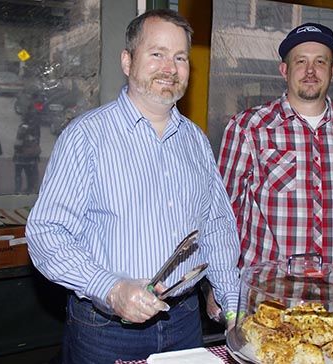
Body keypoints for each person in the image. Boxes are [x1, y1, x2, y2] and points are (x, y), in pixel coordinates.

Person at [25, 9, 240, 363]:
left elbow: (215, 225)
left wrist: (231, 304)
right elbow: (46, 233)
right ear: (127, 61)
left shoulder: (196, 141)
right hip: (106, 331)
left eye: (180, 57)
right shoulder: (86, 137)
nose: (170, 67)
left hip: (185, 320)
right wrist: (110, 288)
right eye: (157, 53)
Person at [217, 22, 333, 317]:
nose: (310, 70)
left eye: (320, 61)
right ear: (284, 70)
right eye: (301, 61)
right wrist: (220, 289)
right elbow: (225, 217)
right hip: (267, 303)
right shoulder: (248, 128)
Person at [13, 118, 40, 193]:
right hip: (29, 159)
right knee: (29, 174)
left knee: (18, 174)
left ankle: (18, 190)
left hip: (20, 158)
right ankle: (29, 188)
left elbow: (17, 145)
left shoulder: (22, 130)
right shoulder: (33, 131)